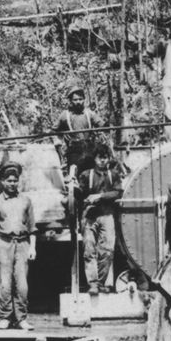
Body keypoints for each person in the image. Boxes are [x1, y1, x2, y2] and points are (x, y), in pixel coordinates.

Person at [0, 161, 36, 331]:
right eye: (9, 180)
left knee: (22, 284)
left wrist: (32, 247)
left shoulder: (26, 201)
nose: (12, 183)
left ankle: (21, 318)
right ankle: (5, 317)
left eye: (15, 180)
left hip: (22, 244)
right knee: (5, 283)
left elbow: (32, 228)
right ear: (2, 181)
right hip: (3, 244)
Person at [76, 143, 124, 294]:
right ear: (95, 158)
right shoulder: (86, 175)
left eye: (105, 157)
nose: (102, 160)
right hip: (89, 216)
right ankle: (93, 284)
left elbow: (118, 193)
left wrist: (100, 196)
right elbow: (79, 194)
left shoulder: (114, 175)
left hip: (107, 215)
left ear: (109, 159)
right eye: (100, 157)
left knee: (108, 250)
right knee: (89, 250)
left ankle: (101, 282)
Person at [53, 86, 104, 177]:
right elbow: (54, 131)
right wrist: (57, 142)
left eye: (80, 99)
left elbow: (102, 125)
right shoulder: (65, 115)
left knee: (92, 175)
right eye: (75, 100)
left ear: (84, 99)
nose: (78, 102)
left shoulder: (90, 113)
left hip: (89, 149)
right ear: (70, 101)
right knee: (74, 177)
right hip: (74, 151)